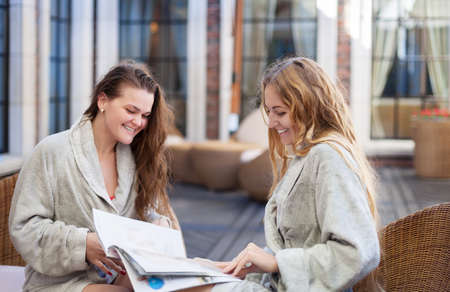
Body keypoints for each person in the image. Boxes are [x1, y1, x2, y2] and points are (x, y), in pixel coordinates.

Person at [185, 57, 381, 292]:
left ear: (309, 106)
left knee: (181, 286)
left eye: (279, 112)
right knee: (192, 271)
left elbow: (358, 252)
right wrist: (239, 266)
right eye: (268, 111)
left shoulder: (328, 157)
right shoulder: (307, 155)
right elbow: (299, 243)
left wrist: (277, 262)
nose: (271, 122)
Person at [9, 61, 180, 292]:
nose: (138, 122)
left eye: (145, 115)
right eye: (131, 111)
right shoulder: (52, 151)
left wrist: (156, 223)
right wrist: (81, 244)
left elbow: (146, 211)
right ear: (102, 101)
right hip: (61, 284)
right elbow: (24, 228)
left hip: (122, 276)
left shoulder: (137, 156)